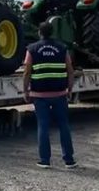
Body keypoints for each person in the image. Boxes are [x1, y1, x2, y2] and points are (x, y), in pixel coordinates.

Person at [23, 21, 77, 169]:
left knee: (43, 126)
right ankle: (69, 160)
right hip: (60, 94)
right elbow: (70, 70)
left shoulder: (32, 49)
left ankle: (45, 160)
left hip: (40, 95)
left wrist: (25, 90)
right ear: (52, 32)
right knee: (63, 125)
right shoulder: (62, 48)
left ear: (39, 32)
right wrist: (70, 88)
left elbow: (27, 71)